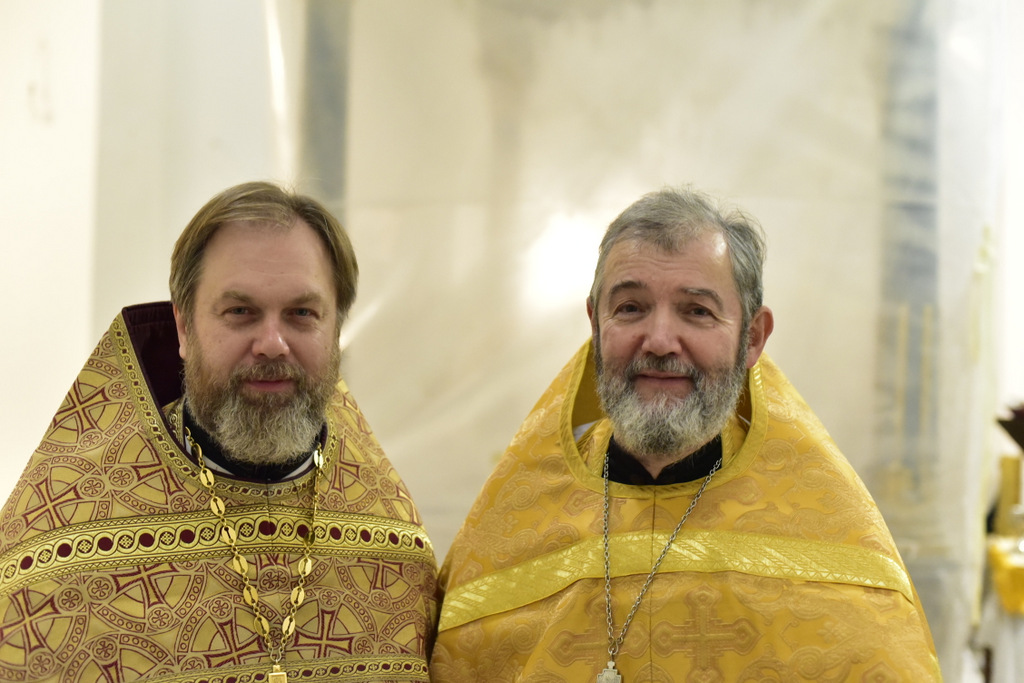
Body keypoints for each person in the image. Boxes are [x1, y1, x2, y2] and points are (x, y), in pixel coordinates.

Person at [431, 187, 941, 681]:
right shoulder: (511, 530)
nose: (659, 341)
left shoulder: (832, 537)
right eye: (630, 308)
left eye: (697, 311)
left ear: (752, 338)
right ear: (595, 325)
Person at [0, 182, 437, 682]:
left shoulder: (396, 545)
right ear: (184, 329)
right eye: (240, 312)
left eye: (301, 314)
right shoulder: (58, 557)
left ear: (334, 330)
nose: (272, 343)